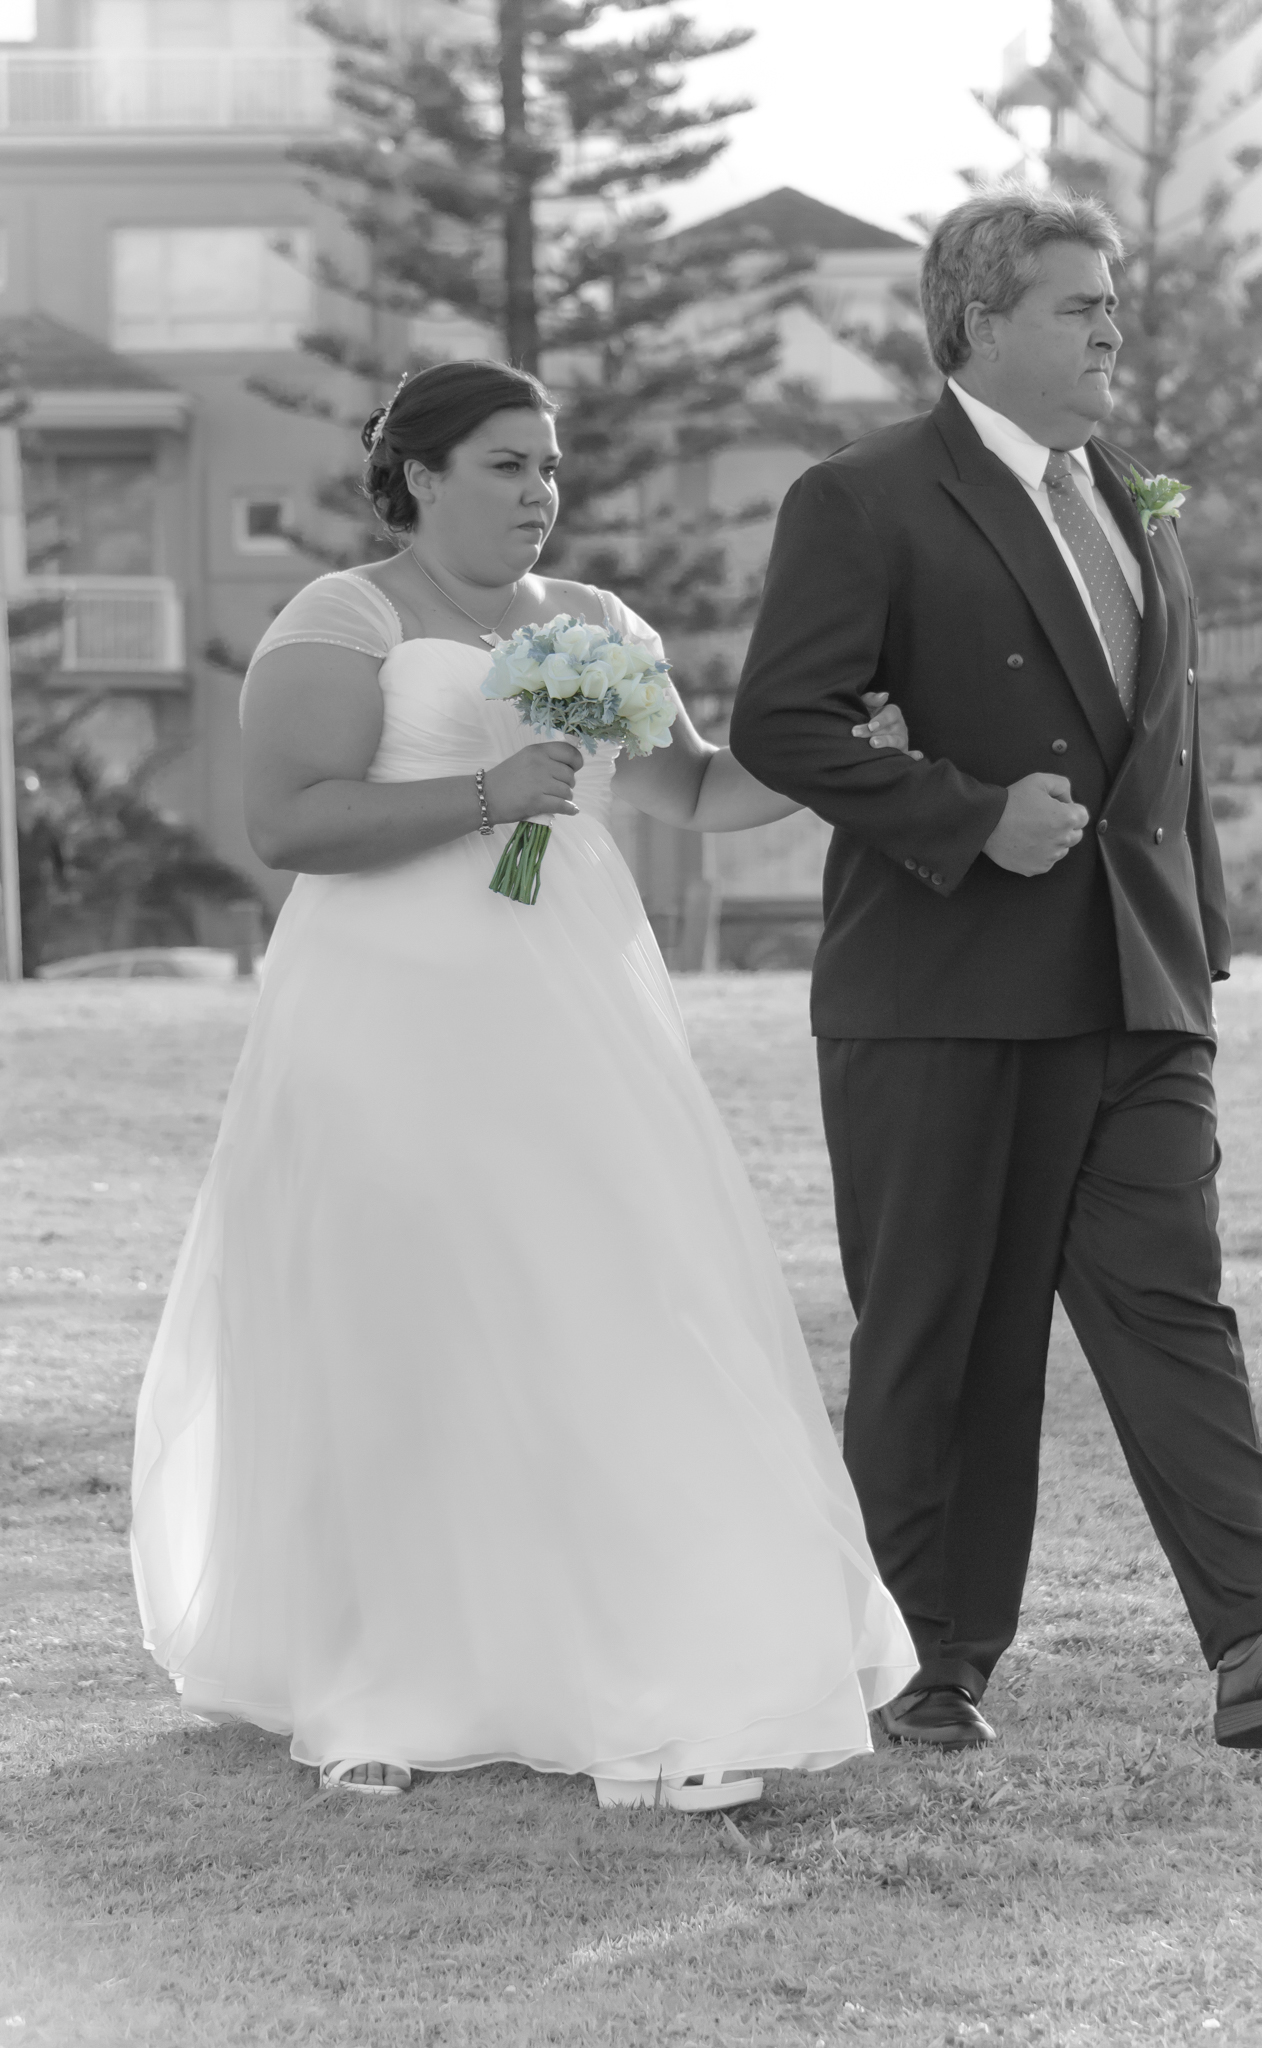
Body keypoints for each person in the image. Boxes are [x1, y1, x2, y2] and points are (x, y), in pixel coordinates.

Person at [130, 359, 917, 1807]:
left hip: (572, 1006)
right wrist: (487, 795)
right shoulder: (346, 615)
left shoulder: (601, 624)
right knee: (406, 1318)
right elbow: (289, 819)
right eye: (504, 463)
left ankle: (637, 1668)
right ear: (419, 475)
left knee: (605, 1299)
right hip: (384, 1015)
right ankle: (381, 1680)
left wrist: (835, 759)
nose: (539, 491)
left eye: (549, 465)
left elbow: (687, 792)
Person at [729, 187, 1262, 1755]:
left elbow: (1171, 752)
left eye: (1115, 304)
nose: (1112, 331)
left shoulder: (1134, 505)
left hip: (1139, 994)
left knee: (1173, 1310)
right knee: (947, 1333)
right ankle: (918, 1667)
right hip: (941, 993)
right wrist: (966, 817)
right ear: (980, 318)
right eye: (1080, 305)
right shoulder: (863, 498)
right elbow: (780, 723)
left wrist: (1197, 947)